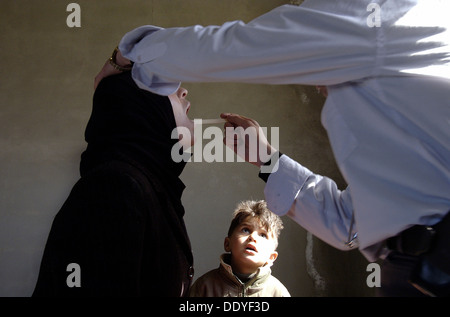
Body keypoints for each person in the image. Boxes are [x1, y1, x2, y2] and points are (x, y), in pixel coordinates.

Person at [94, 1, 450, 296]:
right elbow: (351, 225)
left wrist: (129, 57)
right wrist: (267, 160)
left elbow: (235, 47)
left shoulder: (386, 12)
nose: (318, 88)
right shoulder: (120, 189)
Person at [33, 67, 195, 296]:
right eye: (166, 86)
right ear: (141, 108)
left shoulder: (148, 189)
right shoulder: (115, 188)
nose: (183, 91)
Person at [189, 200, 290, 297]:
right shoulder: (204, 286)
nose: (253, 237)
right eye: (246, 230)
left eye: (263, 235)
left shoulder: (278, 293)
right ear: (227, 244)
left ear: (271, 257)